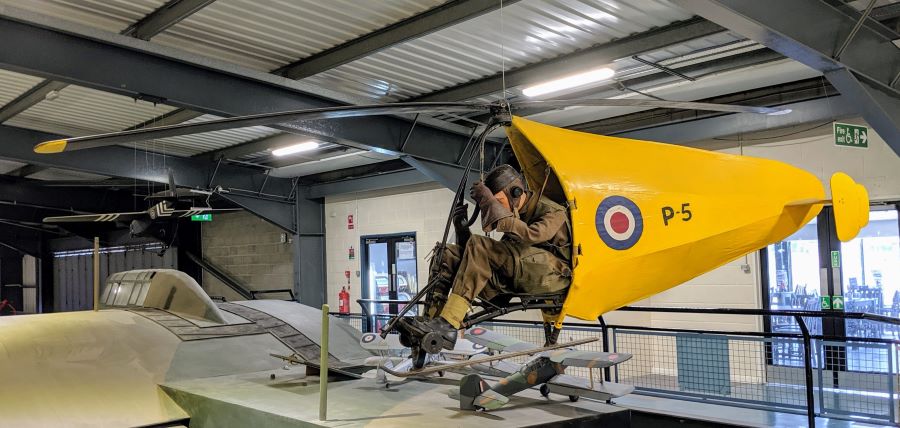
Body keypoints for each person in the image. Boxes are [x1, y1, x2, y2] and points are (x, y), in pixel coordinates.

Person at [397, 164, 572, 350]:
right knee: (447, 253)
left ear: (516, 192)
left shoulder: (553, 211)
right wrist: (462, 230)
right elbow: (475, 257)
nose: (496, 207)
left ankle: (449, 324)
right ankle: (431, 323)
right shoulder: (516, 216)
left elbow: (531, 235)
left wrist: (489, 204)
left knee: (481, 244)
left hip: (553, 277)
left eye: (498, 201)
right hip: (524, 270)